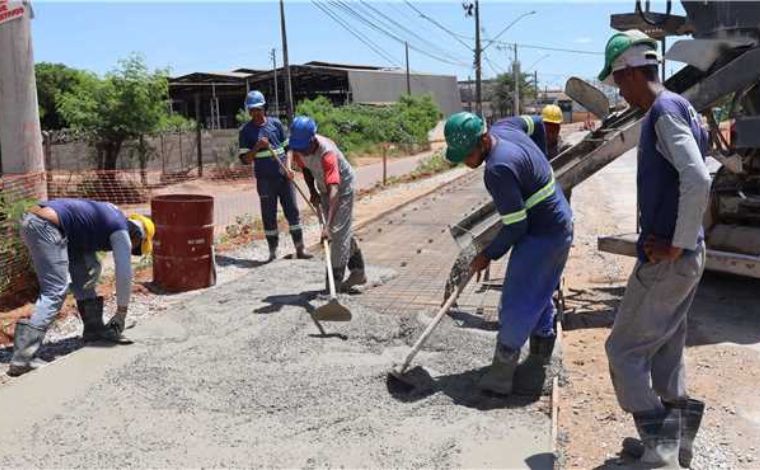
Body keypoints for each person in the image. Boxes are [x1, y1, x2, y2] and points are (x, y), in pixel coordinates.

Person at [598, 29, 712, 468]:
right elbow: (704, 172)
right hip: (685, 260)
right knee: (665, 348)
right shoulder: (683, 106)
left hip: (669, 262)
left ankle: (659, 451)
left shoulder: (662, 111)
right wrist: (687, 245)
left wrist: (676, 244)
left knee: (623, 351)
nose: (619, 91)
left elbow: (698, 178)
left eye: (617, 81)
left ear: (630, 73)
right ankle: (675, 442)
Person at [443, 111, 573, 396]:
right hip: (557, 220)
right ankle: (540, 354)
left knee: (517, 298)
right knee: (539, 290)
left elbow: (516, 225)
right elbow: (538, 123)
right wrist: (541, 161)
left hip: (543, 232)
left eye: (466, 155)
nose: (466, 163)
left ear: (482, 142)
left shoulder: (497, 170)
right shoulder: (506, 126)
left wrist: (487, 255)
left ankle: (501, 376)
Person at [8, 199, 155, 377]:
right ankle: (23, 357)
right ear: (137, 236)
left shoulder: (109, 218)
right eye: (136, 248)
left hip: (47, 223)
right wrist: (121, 313)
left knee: (87, 271)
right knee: (56, 289)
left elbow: (83, 232)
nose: (132, 250)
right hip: (45, 225)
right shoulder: (121, 229)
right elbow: (124, 272)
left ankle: (94, 330)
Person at [288, 116, 366, 292]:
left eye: (303, 148)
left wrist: (327, 226)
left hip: (342, 188)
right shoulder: (300, 146)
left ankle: (334, 285)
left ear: (312, 139)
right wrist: (312, 191)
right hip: (324, 188)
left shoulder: (327, 153)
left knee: (336, 232)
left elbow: (335, 190)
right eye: (297, 148)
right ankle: (358, 272)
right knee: (342, 231)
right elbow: (306, 169)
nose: (301, 152)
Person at [238, 90, 311, 262]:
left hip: (284, 178)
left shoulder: (276, 124)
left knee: (293, 212)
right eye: (252, 110)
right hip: (265, 181)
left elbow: (289, 149)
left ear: (264, 108)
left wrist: (288, 167)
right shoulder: (246, 131)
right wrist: (257, 147)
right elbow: (245, 160)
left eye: (258, 109)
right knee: (268, 215)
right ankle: (272, 252)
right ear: (249, 111)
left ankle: (300, 248)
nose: (256, 113)